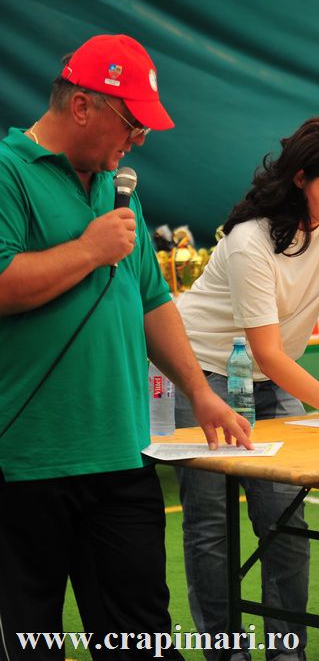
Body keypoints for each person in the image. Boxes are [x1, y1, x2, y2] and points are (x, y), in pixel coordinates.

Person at [0, 34, 252, 660]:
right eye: (131, 123)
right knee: (29, 640)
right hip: (26, 461)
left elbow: (152, 301)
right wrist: (89, 249)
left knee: (140, 637)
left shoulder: (121, 189)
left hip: (121, 452)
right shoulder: (7, 173)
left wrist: (199, 390)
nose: (138, 140)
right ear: (82, 105)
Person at [175, 115, 319, 660]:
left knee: (287, 523)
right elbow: (266, 350)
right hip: (201, 373)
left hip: (271, 376)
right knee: (212, 525)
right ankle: (226, 653)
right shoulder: (249, 240)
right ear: (300, 179)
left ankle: (286, 653)